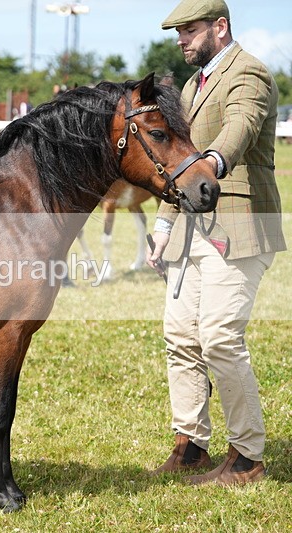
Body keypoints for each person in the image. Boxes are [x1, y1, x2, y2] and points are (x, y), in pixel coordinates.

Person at [147, 0, 286, 485]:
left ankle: (248, 457)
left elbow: (239, 130)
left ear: (220, 27)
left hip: (239, 223)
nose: (181, 40)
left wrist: (214, 165)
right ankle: (191, 446)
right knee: (181, 337)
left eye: (189, 30)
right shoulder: (191, 85)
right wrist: (163, 226)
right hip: (189, 229)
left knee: (220, 338)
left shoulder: (251, 73)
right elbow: (177, 162)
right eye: (177, 32)